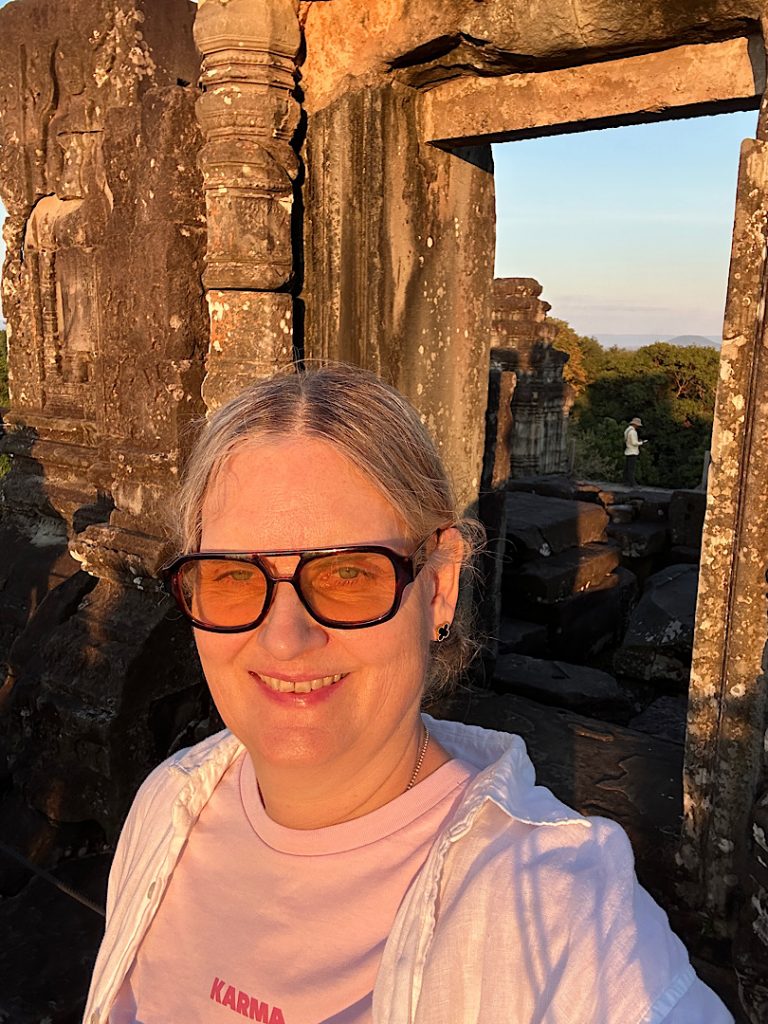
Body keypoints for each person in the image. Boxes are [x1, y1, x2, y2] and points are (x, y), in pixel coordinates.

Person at [84, 365, 732, 1024]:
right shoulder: (169, 805)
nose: (284, 639)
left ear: (440, 585)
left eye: (347, 573)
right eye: (231, 575)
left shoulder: (557, 914)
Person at [623, 415, 647, 487]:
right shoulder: (633, 432)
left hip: (628, 450)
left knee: (627, 468)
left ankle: (626, 481)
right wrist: (641, 443)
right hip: (632, 451)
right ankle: (633, 483)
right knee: (631, 468)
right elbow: (634, 443)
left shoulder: (627, 430)